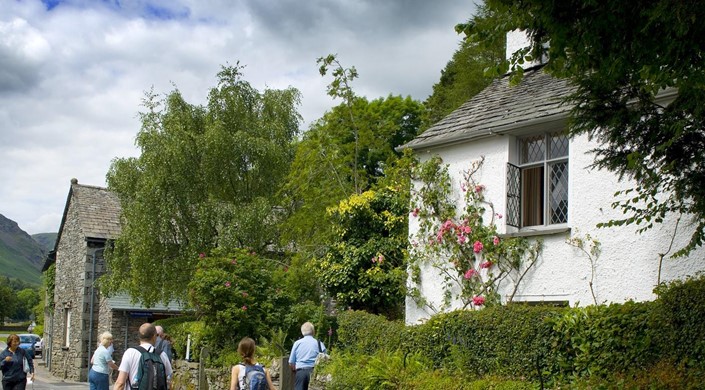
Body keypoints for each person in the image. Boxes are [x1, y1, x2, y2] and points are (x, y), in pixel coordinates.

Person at [113, 323, 173, 390]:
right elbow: (168, 379)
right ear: (154, 336)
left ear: (139, 336)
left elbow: (120, 383)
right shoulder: (162, 355)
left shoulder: (130, 353)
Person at [288, 322, 326, 390]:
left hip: (300, 372)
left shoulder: (297, 343)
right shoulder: (319, 343)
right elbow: (325, 359)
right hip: (314, 372)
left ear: (302, 332)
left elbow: (291, 362)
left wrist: (295, 370)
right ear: (313, 332)